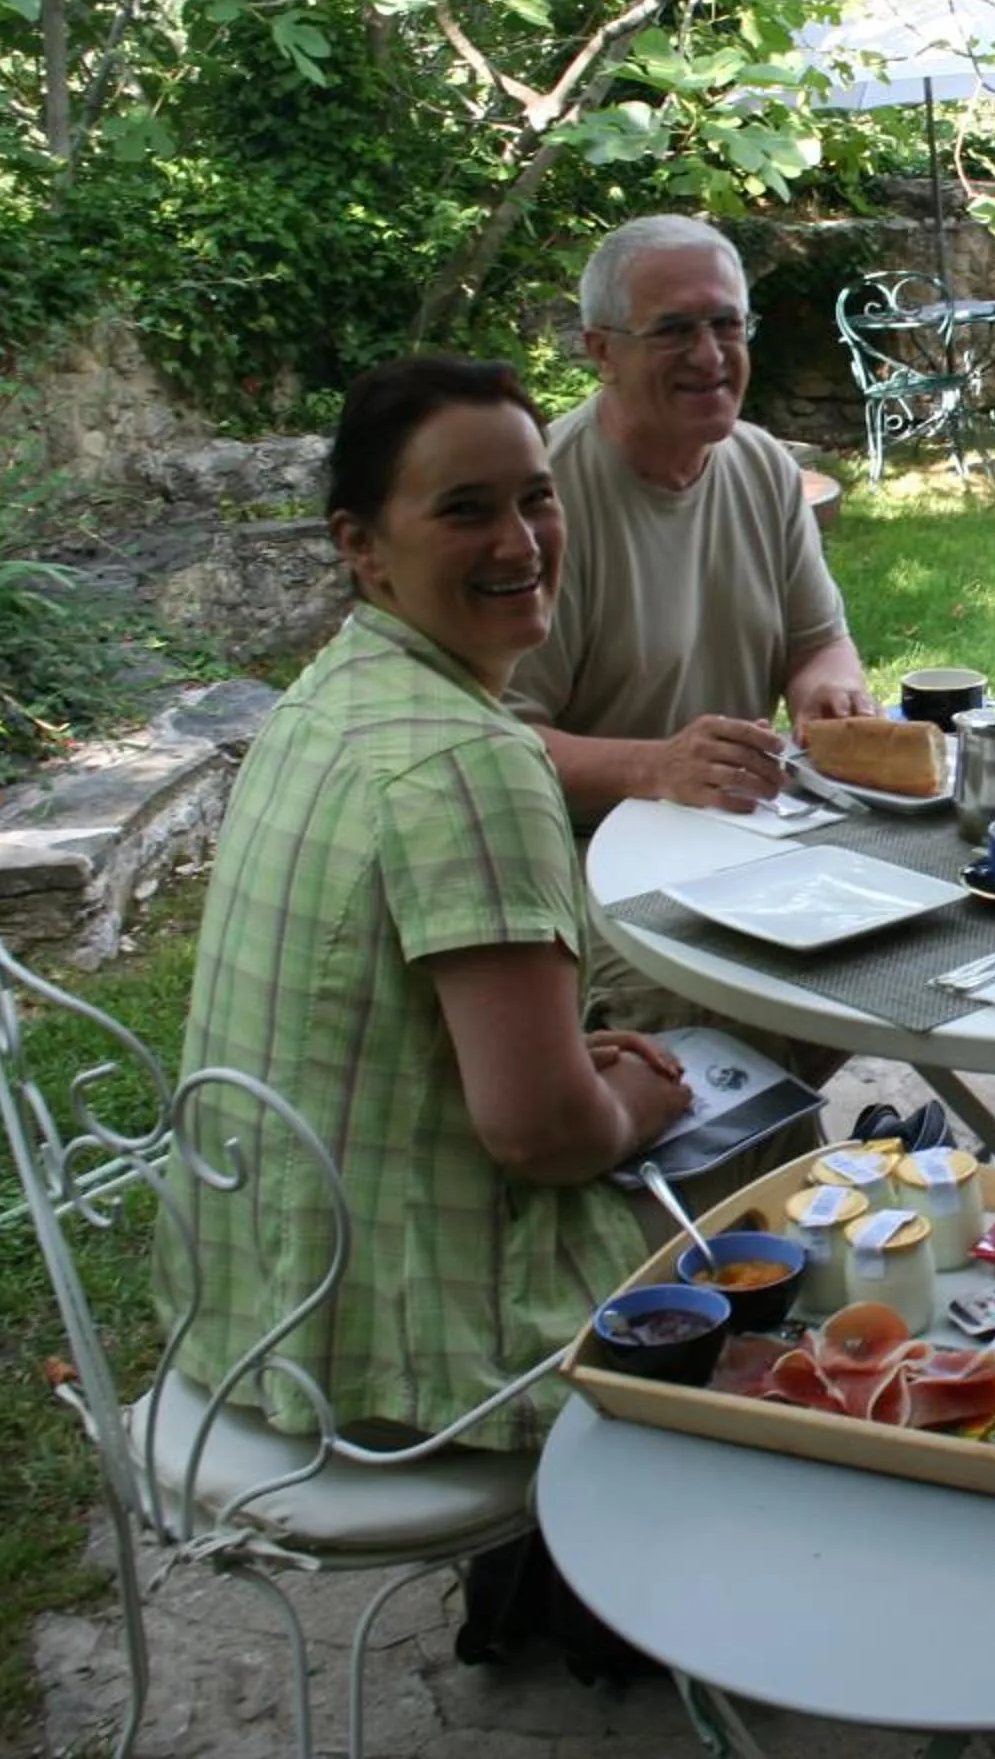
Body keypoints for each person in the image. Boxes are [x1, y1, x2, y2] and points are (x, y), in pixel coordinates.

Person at [170, 355, 688, 1458]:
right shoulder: (474, 762)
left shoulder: (329, 694)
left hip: (252, 1301)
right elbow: (545, 1135)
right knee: (800, 1187)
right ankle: (621, 1586)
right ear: (360, 545)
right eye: (465, 510)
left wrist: (567, 1057)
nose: (520, 541)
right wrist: (641, 1094)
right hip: (404, 1350)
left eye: (535, 497)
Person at [503, 213, 876, 1059]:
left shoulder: (762, 465)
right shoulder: (541, 507)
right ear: (601, 350)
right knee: (724, 1033)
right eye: (674, 330)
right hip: (592, 859)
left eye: (727, 324)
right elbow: (501, 746)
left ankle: (802, 1176)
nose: (711, 355)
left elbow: (818, 639)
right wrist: (657, 767)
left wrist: (828, 690)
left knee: (915, 943)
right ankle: (741, 1179)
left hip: (747, 836)